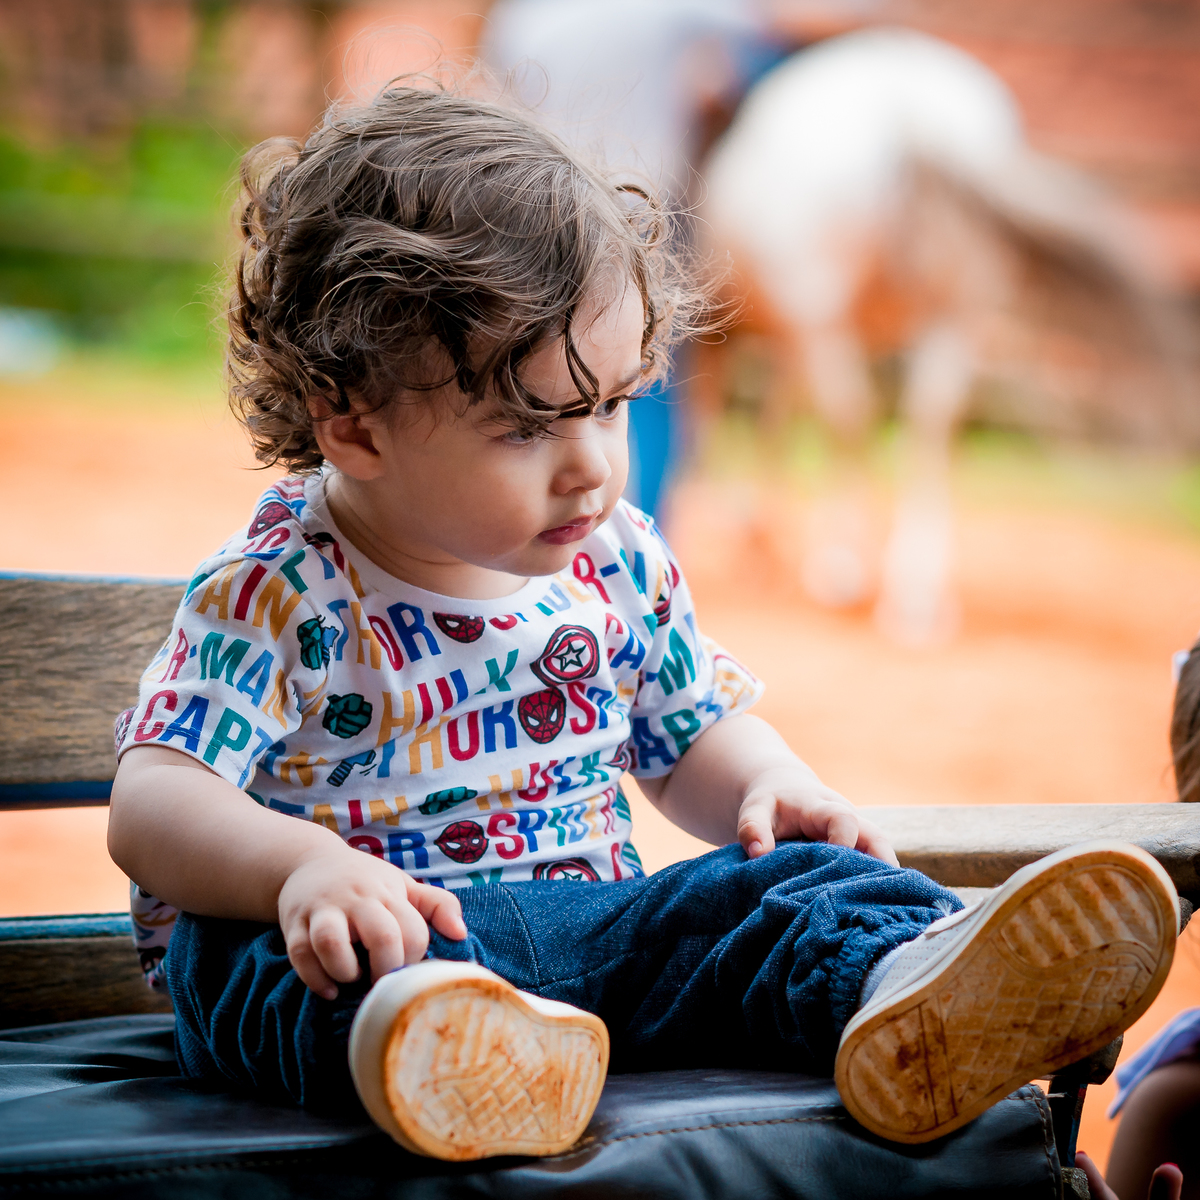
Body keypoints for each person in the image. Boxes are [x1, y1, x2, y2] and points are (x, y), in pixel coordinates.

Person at [107, 84, 1180, 1163]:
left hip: (598, 944)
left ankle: (911, 988)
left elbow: (691, 735)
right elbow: (153, 800)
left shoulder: (614, 556)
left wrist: (769, 781)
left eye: (613, 405)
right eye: (529, 426)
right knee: (260, 972)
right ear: (354, 422)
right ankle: (446, 1055)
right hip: (381, 946)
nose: (593, 466)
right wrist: (297, 871)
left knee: (785, 893)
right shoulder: (279, 589)